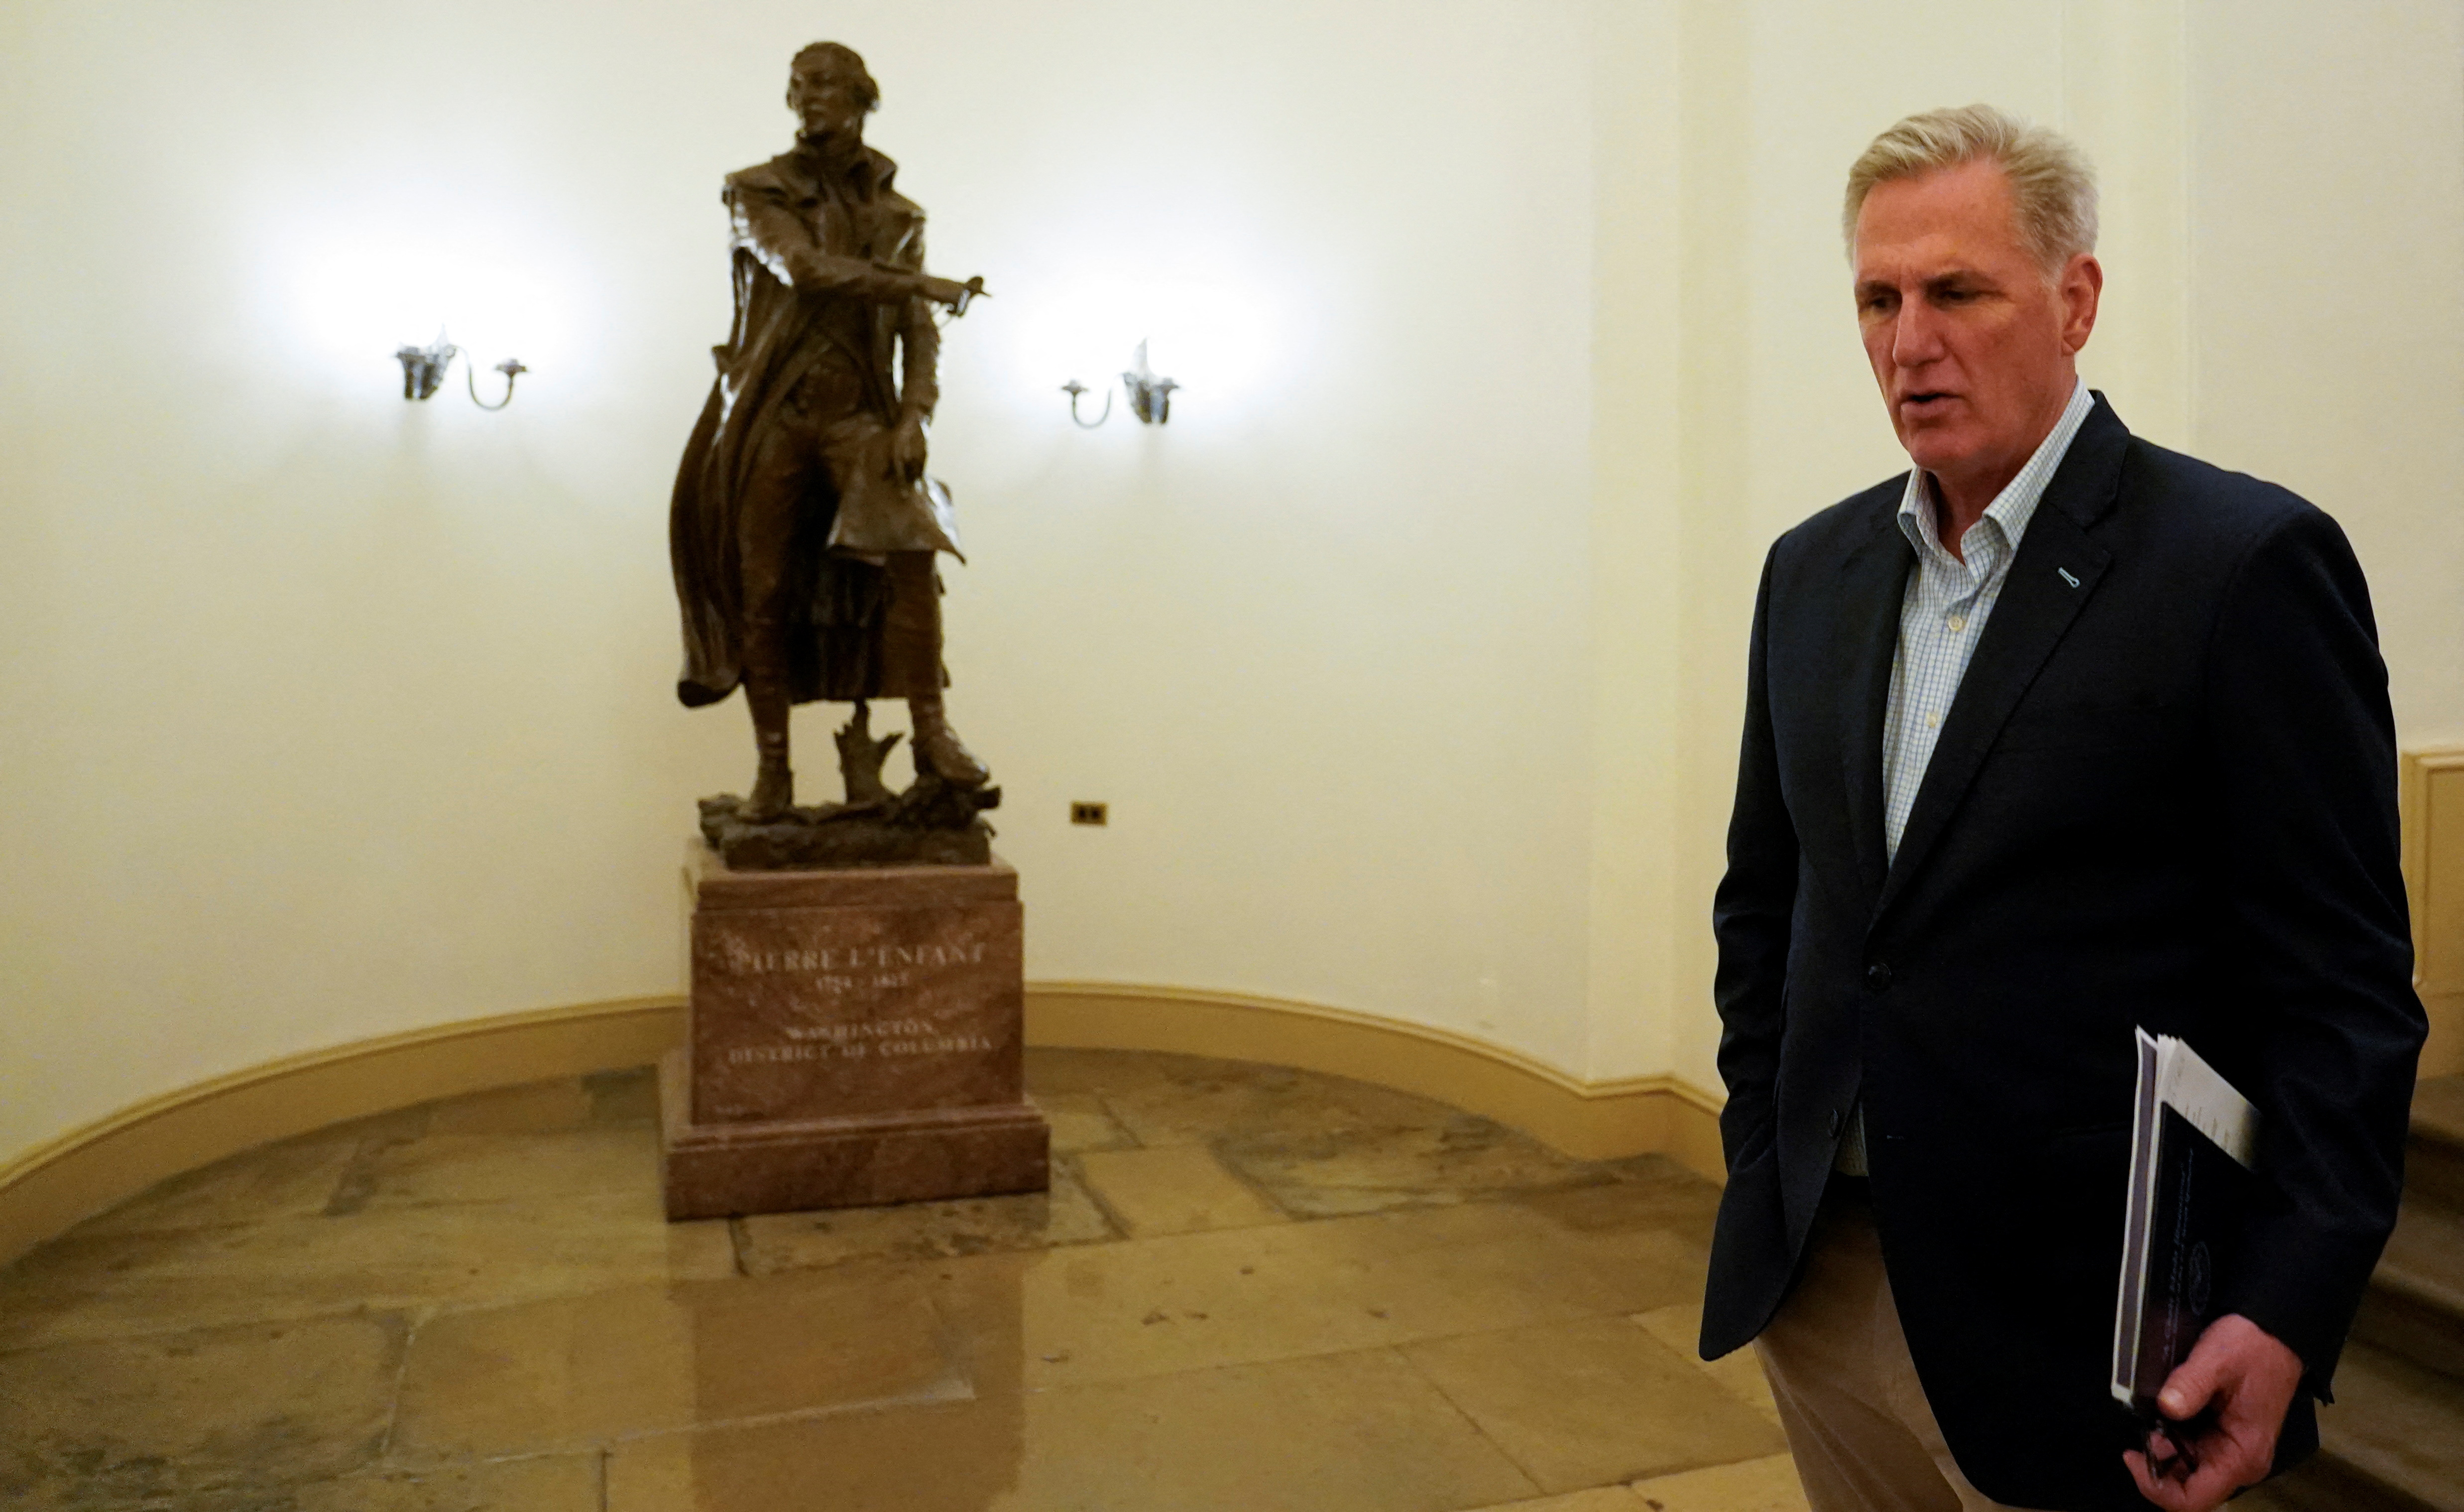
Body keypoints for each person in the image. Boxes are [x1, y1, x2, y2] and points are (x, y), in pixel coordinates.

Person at [1699, 104, 2425, 1512]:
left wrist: (2281, 1306)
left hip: (2080, 1330)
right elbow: (1767, 904)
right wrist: (1759, 1155)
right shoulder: (1810, 572)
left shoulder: (2237, 564)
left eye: (1955, 290)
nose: (1908, 338)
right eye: (1876, 297)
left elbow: (2341, 996)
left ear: (2073, 299)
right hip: (1822, 1281)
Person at [669, 41, 990, 820]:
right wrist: (922, 282)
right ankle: (773, 774)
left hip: (857, 415)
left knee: (914, 544)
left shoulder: (898, 215)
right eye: (798, 86)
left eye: (825, 86)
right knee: (764, 587)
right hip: (773, 412)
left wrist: (915, 415)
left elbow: (918, 330)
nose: (808, 98)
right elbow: (803, 269)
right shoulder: (755, 192)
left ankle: (932, 736)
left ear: (861, 97)